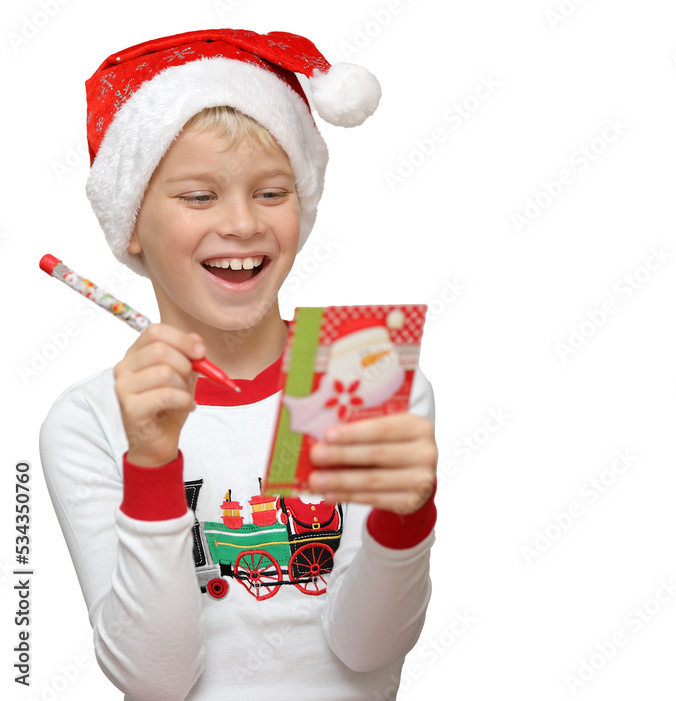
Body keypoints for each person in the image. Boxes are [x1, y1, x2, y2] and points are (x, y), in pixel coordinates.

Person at [39, 29, 438, 700]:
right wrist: (152, 466)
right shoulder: (89, 419)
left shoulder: (354, 369)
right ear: (132, 221)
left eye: (272, 193)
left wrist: (409, 517)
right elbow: (156, 680)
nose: (243, 224)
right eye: (198, 197)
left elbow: (366, 648)